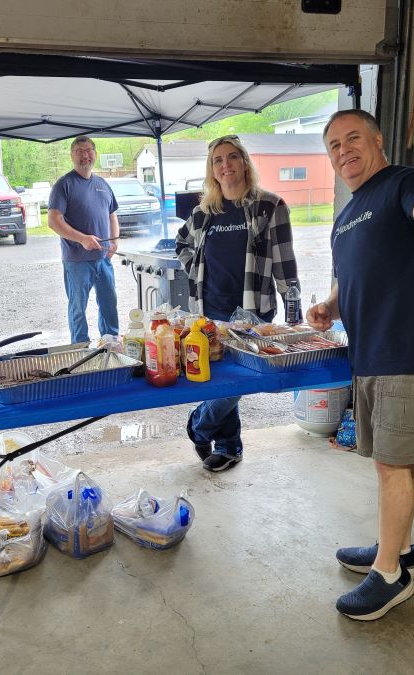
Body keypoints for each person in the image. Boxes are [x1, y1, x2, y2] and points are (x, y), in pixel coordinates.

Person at [307, 109, 414, 621]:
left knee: (392, 463)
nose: (343, 149)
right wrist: (330, 306)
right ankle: (400, 551)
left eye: (353, 137)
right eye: (333, 145)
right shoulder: (348, 212)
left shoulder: (402, 181)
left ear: (377, 138)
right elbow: (350, 274)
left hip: (407, 348)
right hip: (371, 353)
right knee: (400, 458)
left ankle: (388, 575)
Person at [176, 135, 299, 472]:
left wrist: (294, 314)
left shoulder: (269, 207)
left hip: (252, 312)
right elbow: (182, 244)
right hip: (210, 311)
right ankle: (229, 446)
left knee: (239, 383)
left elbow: (285, 262)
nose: (225, 165)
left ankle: (199, 426)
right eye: (218, 160)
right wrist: (196, 269)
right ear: (212, 169)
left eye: (232, 157)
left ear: (244, 162)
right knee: (220, 380)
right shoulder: (204, 213)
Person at [48, 136, 120, 344]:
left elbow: (112, 214)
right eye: (79, 151)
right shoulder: (64, 185)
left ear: (95, 154)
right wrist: (82, 239)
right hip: (77, 260)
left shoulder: (102, 184)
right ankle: (80, 348)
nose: (85, 155)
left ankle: (111, 344)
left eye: (88, 150)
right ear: (72, 155)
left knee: (108, 304)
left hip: (103, 258)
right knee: (78, 307)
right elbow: (54, 221)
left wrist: (115, 241)